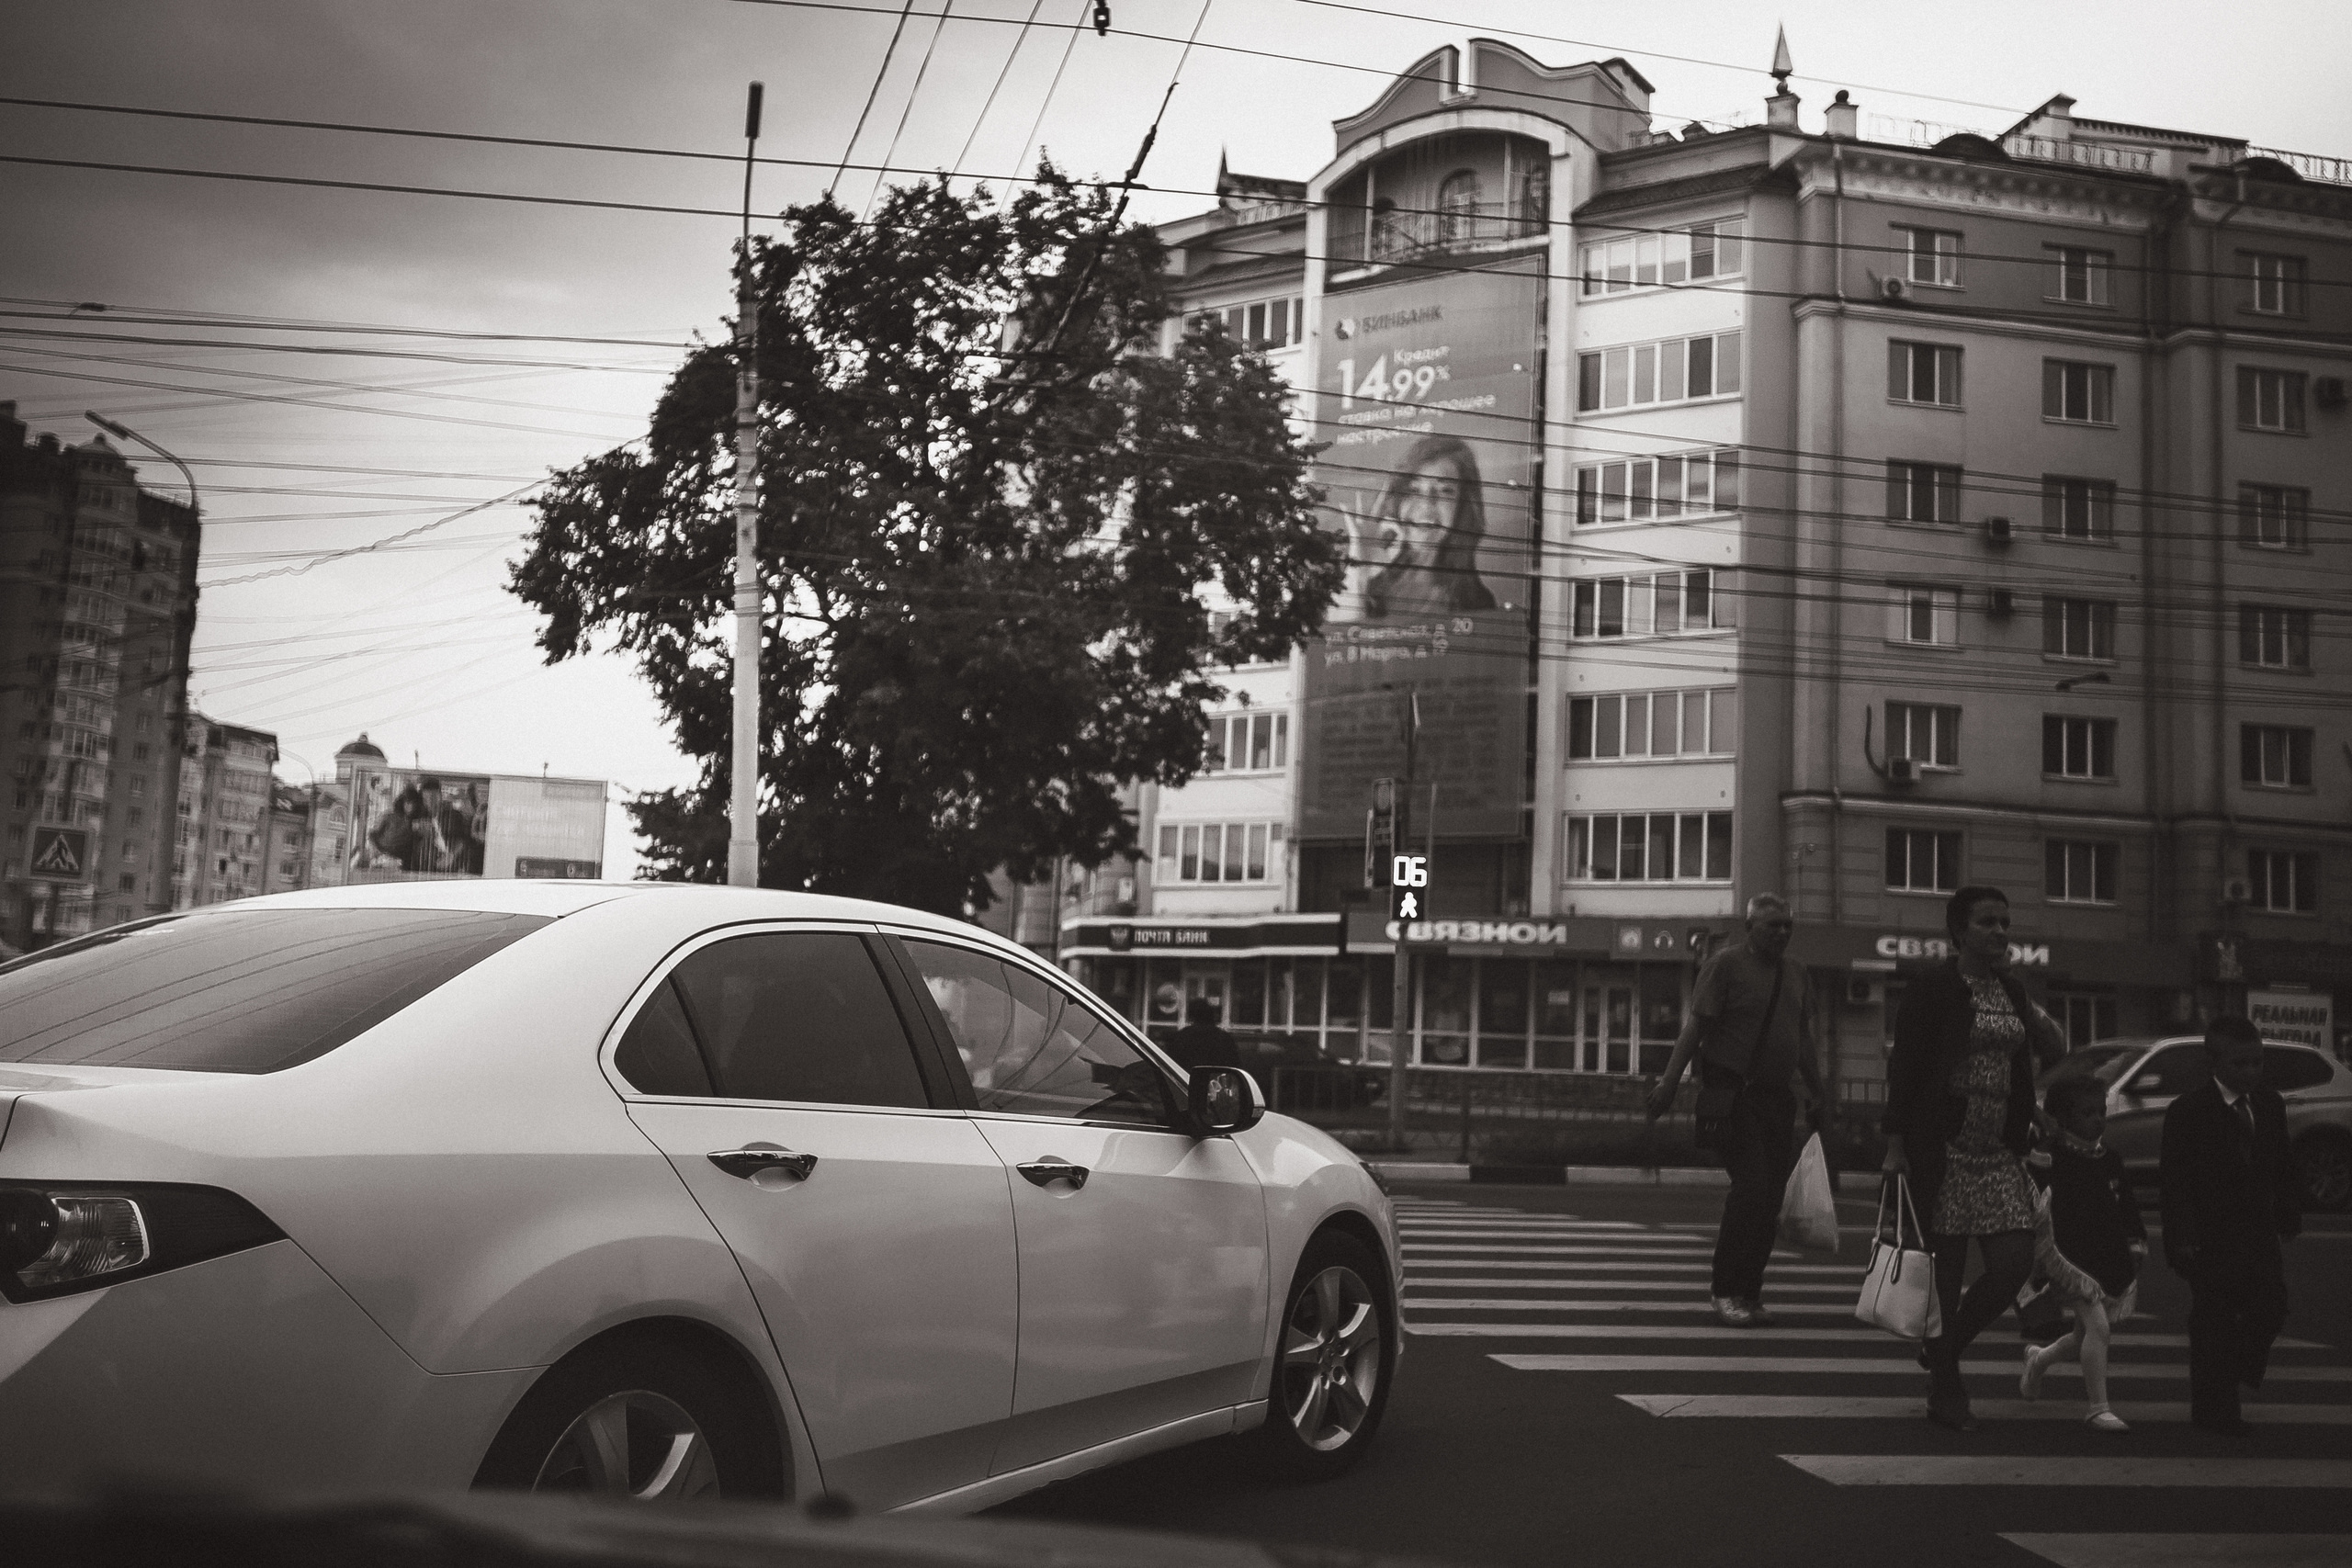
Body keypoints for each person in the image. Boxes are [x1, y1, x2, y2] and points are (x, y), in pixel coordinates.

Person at [1882, 885, 2065, 1431]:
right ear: (1959, 931)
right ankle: (1947, 1390)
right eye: (1987, 922)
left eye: (2005, 923)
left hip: (1997, 1150)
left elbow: (2038, 1054)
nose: (2001, 932)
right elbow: (1907, 1067)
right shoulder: (1933, 987)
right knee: (1946, 1274)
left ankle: (1945, 1348)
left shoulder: (2011, 988)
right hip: (1942, 1146)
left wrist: (2032, 1106)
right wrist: (1894, 1144)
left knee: (2012, 1264)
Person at [1644, 894, 1823, 1328]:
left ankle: (1750, 1291)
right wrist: (1668, 1083)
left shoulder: (1796, 972)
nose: (1781, 933)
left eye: (1786, 926)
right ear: (1750, 928)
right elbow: (1697, 1028)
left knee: (1770, 1199)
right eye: (1771, 925)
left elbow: (1801, 1037)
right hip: (1732, 1095)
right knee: (1751, 1188)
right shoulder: (1725, 966)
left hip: (1776, 1098)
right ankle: (1725, 1289)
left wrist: (1818, 1089)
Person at [2161, 1014, 2301, 1435]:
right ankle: (2216, 1412)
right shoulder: (2188, 1111)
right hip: (2209, 1237)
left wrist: (2288, 1213)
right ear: (2214, 1063)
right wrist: (2181, 1238)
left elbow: (2282, 1164)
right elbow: (2175, 1181)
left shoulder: (2270, 1104)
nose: (2251, 1072)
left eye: (2257, 1062)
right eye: (2241, 1064)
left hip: (2258, 1233)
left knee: (2270, 1307)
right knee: (2213, 1320)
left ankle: (2233, 1370)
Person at [2019, 1076, 2147, 1431]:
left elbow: (2127, 1207)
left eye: (2101, 1111)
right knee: (2098, 1327)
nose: (2098, 1119)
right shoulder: (2049, 1155)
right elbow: (2031, 1195)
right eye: (2087, 1113)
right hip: (2066, 1256)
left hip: (2103, 1253)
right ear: (2060, 1117)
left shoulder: (2111, 1158)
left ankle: (2038, 1361)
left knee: (2082, 1336)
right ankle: (2097, 1407)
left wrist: (2135, 1242)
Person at [1349, 435, 1499, 622]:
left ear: (1463, 506)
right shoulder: (1371, 583)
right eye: (1414, 490)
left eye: (1444, 491)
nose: (1426, 505)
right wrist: (1359, 573)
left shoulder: (1476, 600)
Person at [1163, 997, 1242, 1075]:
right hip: (1215, 1083)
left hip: (1187, 1081)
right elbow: (1235, 1066)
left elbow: (1171, 1066)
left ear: (1191, 1015)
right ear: (1211, 1014)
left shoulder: (1181, 1038)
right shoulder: (1223, 1038)